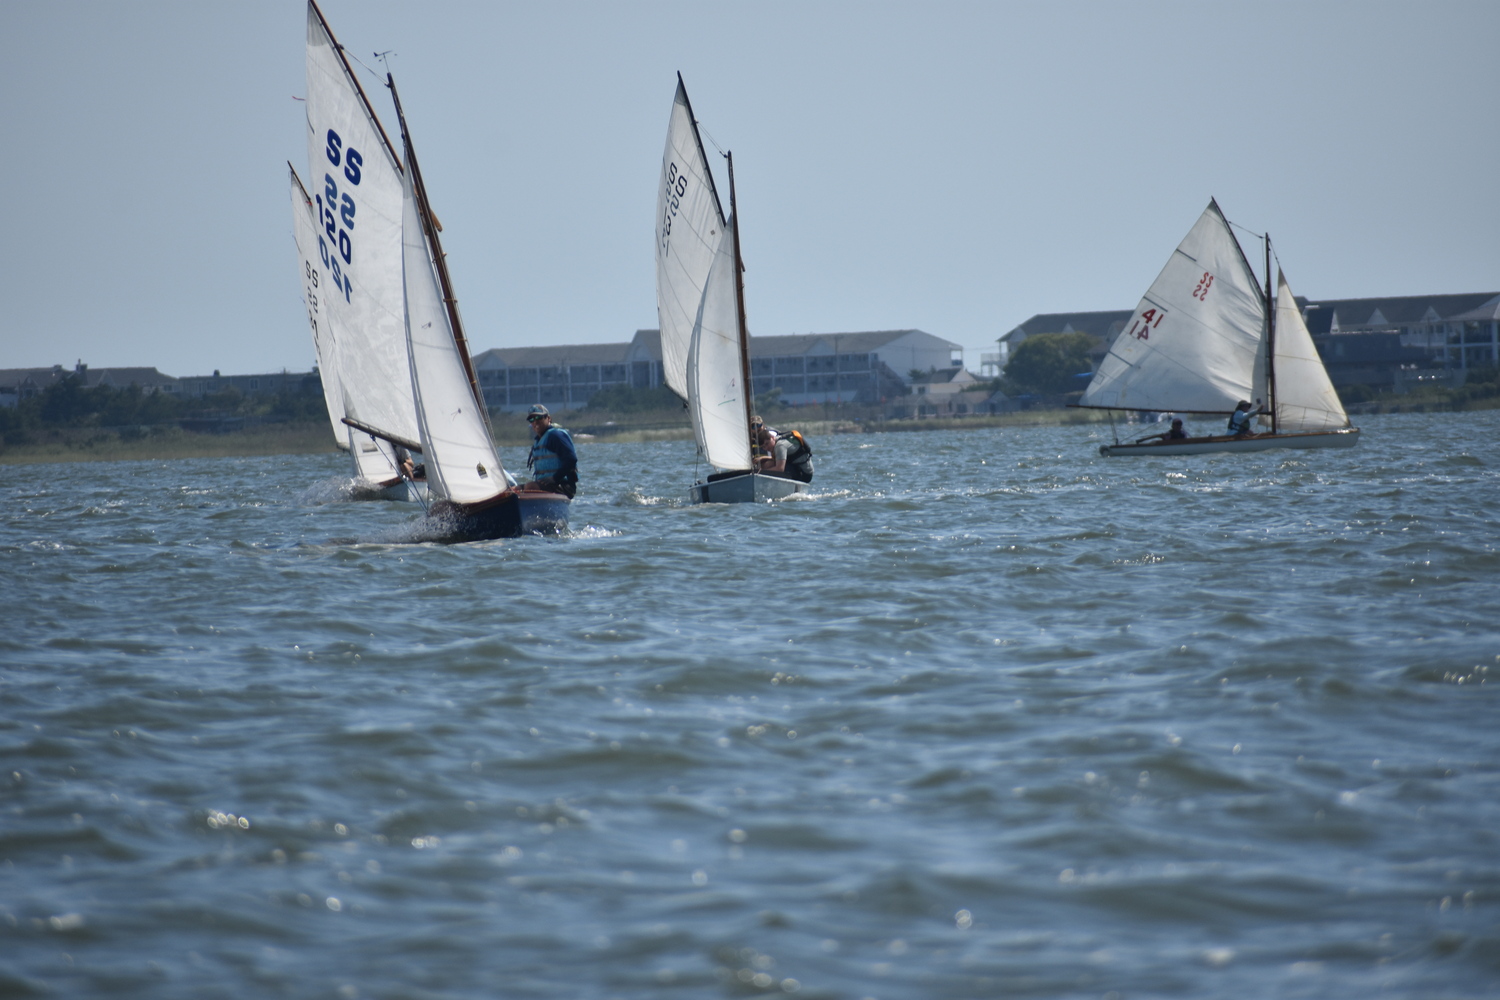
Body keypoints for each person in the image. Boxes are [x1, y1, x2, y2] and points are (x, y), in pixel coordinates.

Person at [522, 404, 578, 498]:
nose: (535, 421)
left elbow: (571, 460)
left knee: (530, 487)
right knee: (513, 489)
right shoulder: (538, 440)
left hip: (564, 486)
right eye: (531, 419)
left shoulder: (556, 436)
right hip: (546, 486)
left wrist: (554, 478)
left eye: (539, 417)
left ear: (548, 418)